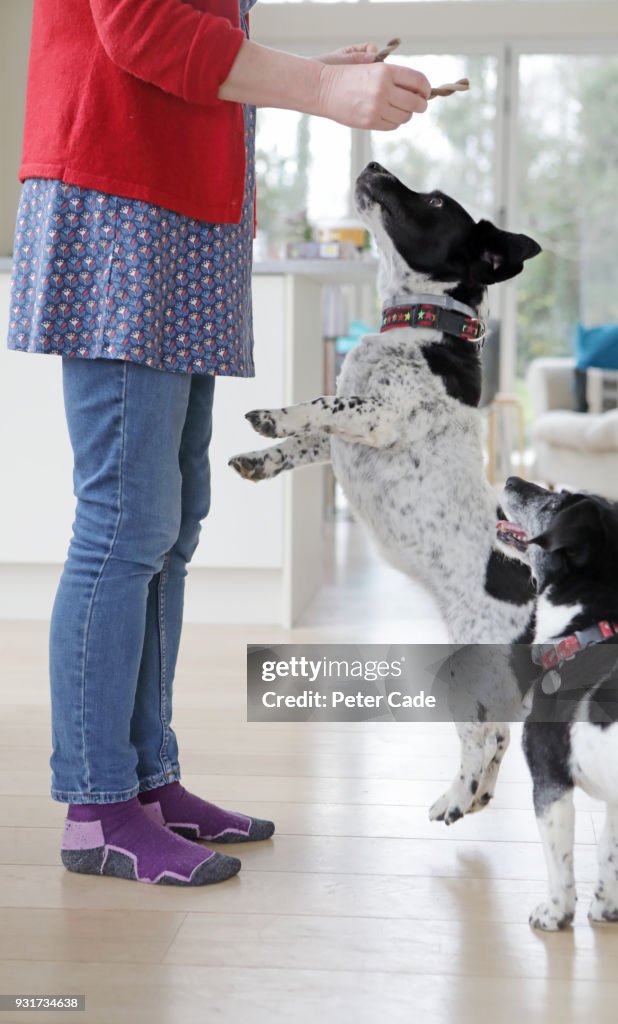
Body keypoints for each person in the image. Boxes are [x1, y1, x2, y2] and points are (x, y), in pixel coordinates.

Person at [7, 0, 432, 886]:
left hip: (176, 209)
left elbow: (189, 45)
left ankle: (146, 783)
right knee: (126, 523)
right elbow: (141, 27)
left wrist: (311, 74)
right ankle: (96, 810)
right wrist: (320, 89)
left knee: (170, 526)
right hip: (124, 202)